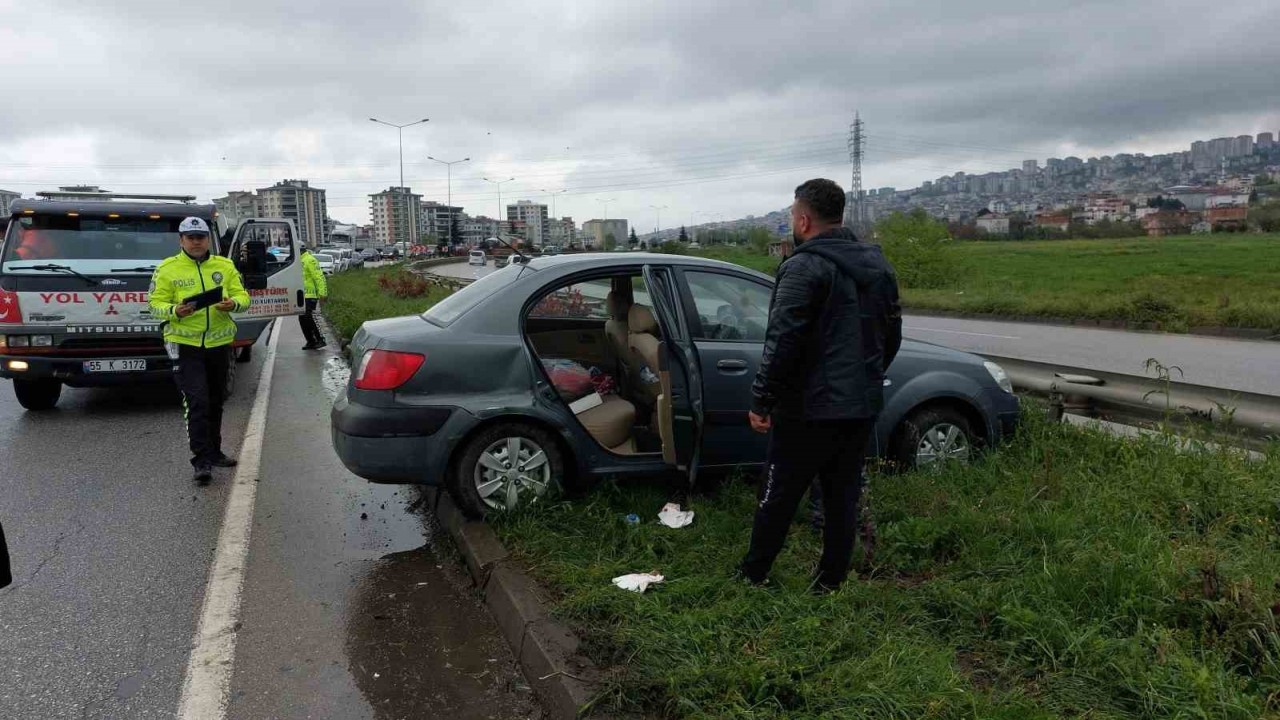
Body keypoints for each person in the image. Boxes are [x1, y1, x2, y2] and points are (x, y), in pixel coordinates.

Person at [739, 178, 902, 592]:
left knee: (777, 493)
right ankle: (829, 584)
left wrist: (762, 399)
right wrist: (865, 377)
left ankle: (753, 575)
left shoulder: (802, 266)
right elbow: (892, 333)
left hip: (806, 410)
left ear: (805, 219)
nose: (793, 222)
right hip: (859, 407)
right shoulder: (878, 266)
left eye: (793, 215)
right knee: (841, 497)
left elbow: (782, 341)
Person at [149, 217, 252, 484]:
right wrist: (174, 311)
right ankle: (201, 461)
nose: (196, 242)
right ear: (181, 240)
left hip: (219, 345)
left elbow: (244, 297)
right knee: (197, 402)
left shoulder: (224, 266)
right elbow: (154, 305)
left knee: (216, 401)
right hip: (185, 346)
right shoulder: (167, 269)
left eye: (201, 237)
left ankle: (215, 451)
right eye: (190, 237)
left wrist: (234, 304)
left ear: (208, 239)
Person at [298, 245, 328, 350]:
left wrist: (323, 293)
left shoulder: (310, 260)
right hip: (301, 295)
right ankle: (310, 341)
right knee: (302, 318)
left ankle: (320, 339)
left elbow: (319, 277)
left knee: (309, 316)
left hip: (311, 294)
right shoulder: (298, 261)